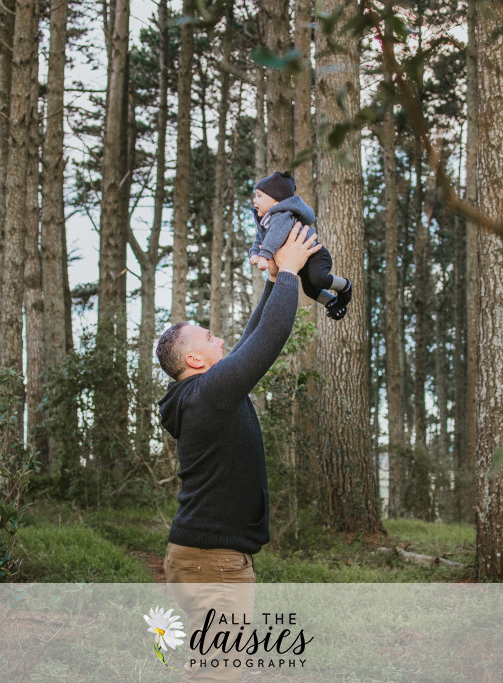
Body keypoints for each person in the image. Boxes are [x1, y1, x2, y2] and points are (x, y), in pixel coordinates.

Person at [155, 223, 320, 682]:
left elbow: (250, 339)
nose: (221, 341)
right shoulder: (209, 393)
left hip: (199, 556)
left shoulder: (202, 394)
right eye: (210, 338)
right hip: (214, 562)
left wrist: (272, 281)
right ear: (194, 360)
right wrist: (290, 272)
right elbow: (268, 340)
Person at [248, 170, 352, 320]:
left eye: (259, 196)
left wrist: (264, 255)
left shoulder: (282, 216)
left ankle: (345, 285)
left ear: (276, 201)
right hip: (300, 263)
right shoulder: (266, 223)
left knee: (318, 279)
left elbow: (275, 236)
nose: (254, 200)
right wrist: (254, 253)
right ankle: (332, 303)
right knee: (309, 289)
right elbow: (260, 239)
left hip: (315, 255)